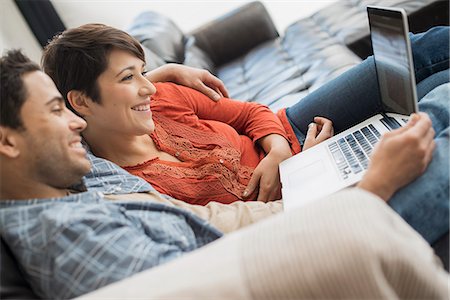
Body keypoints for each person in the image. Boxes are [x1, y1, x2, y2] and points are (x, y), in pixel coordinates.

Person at [1, 49, 448, 300]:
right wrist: (369, 191)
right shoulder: (63, 237)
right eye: (56, 111)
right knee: (439, 107)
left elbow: (215, 220)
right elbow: (228, 278)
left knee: (422, 66)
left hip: (309, 205)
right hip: (328, 243)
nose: (75, 125)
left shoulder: (75, 177)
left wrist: (321, 181)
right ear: (7, 142)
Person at [42, 24, 449, 244]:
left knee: (411, 52)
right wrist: (303, 168)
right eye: (130, 78)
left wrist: (276, 151)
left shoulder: (162, 96)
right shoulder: (128, 187)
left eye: (143, 71)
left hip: (290, 128)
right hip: (304, 188)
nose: (148, 86)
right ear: (81, 102)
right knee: (438, 89)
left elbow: (252, 112)